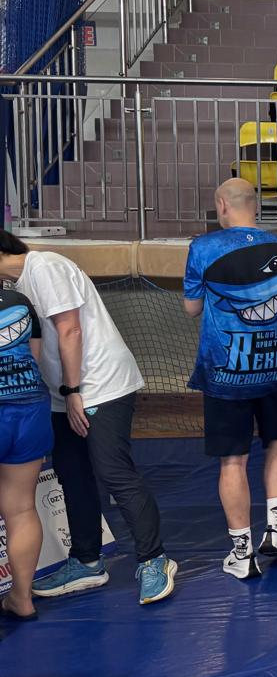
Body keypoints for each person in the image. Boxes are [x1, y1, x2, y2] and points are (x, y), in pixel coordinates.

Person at [0, 231, 177, 605]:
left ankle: (154, 559)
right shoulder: (17, 285)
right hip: (62, 392)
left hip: (100, 386)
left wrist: (73, 390)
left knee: (113, 471)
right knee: (71, 472)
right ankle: (87, 560)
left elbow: (70, 328)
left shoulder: (45, 266)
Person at [182, 180, 277, 580]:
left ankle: (242, 552)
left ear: (222, 204)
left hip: (226, 373)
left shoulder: (203, 248)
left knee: (233, 459)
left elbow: (191, 308)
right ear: (255, 205)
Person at [0, 281, 51, 624]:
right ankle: (22, 598)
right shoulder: (19, 300)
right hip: (29, 407)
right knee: (20, 509)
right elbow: (34, 356)